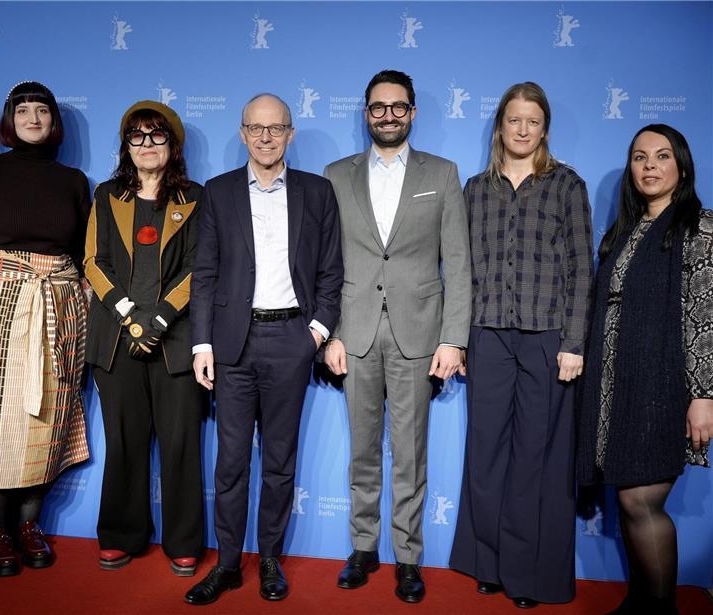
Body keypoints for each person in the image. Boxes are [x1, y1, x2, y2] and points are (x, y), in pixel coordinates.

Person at [185, 93, 342, 605]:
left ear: (290, 134)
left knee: (279, 462)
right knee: (230, 462)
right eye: (256, 128)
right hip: (233, 344)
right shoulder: (218, 192)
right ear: (243, 132)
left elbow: (331, 273)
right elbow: (204, 274)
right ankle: (229, 564)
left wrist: (315, 333)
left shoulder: (318, 193)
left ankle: (270, 558)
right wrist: (202, 343)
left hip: (291, 340)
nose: (266, 136)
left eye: (276, 128)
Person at [323, 69, 472, 604]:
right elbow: (326, 262)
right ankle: (363, 549)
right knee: (362, 452)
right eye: (378, 107)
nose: (388, 114)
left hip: (419, 335)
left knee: (410, 455)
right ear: (366, 113)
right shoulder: (335, 175)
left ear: (412, 112)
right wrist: (331, 334)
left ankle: (408, 557)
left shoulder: (444, 173)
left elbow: (458, 261)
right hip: (355, 333)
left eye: (398, 106)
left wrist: (454, 338)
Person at [449, 82, 594, 608]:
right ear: (500, 125)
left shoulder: (566, 186)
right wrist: (458, 340)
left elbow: (582, 271)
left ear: (544, 128)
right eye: (515, 119)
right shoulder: (474, 189)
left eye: (534, 121)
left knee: (534, 457)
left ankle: (526, 572)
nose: (524, 129)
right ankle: (487, 564)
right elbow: (460, 274)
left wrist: (574, 342)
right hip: (486, 335)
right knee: (485, 453)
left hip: (546, 338)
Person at [0, 81, 91, 576]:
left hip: (60, 308)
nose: (33, 118)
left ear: (54, 120)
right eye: (23, 110)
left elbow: (84, 257)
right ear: (10, 121)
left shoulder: (73, 180)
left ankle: (31, 523)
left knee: (47, 419)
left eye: (42, 110)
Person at [577, 124, 712, 615]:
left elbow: (704, 314)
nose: (649, 166)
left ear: (681, 166)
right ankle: (641, 601)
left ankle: (660, 608)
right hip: (619, 383)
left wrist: (704, 395)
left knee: (641, 502)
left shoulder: (700, 225)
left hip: (664, 386)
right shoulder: (624, 232)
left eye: (661, 156)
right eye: (639, 157)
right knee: (629, 500)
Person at [84, 100, 205, 576]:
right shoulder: (105, 194)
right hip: (116, 341)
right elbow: (94, 261)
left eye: (157, 135)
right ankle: (119, 534)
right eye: (137, 136)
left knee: (180, 445)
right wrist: (130, 316)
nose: (147, 145)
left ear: (173, 145)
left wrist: (159, 320)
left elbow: (202, 267)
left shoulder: (197, 197)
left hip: (176, 342)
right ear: (126, 145)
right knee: (124, 442)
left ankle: (183, 541)